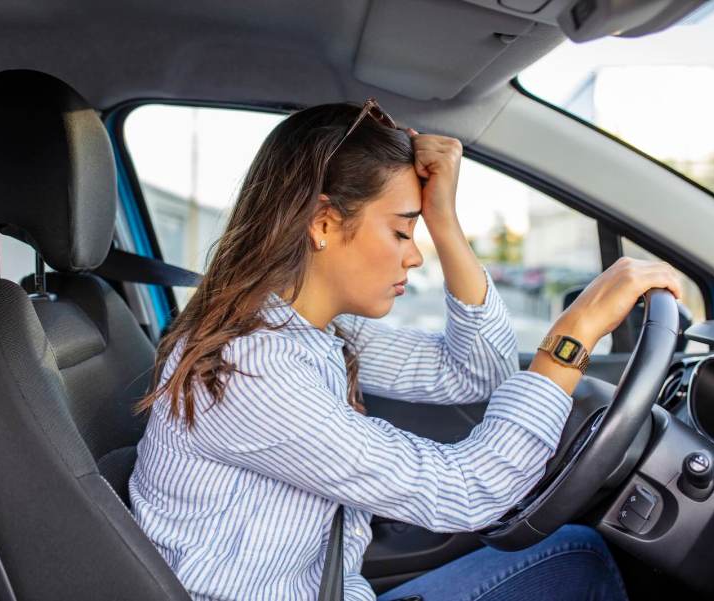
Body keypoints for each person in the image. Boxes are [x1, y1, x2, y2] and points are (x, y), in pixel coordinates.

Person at [128, 98, 682, 601]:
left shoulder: (310, 330)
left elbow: (477, 373)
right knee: (582, 558)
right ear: (323, 223)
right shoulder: (254, 369)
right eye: (401, 232)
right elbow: (467, 492)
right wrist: (575, 333)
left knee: (580, 553)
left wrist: (444, 220)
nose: (415, 257)